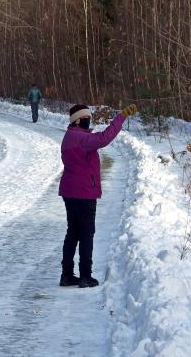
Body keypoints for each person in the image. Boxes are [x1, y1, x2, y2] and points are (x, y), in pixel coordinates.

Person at [58, 103, 137, 288]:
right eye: (86, 118)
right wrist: (122, 116)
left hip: (69, 192)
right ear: (77, 120)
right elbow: (104, 138)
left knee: (73, 233)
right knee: (86, 234)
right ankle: (86, 276)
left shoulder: (69, 136)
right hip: (84, 192)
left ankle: (67, 275)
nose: (88, 121)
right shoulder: (80, 138)